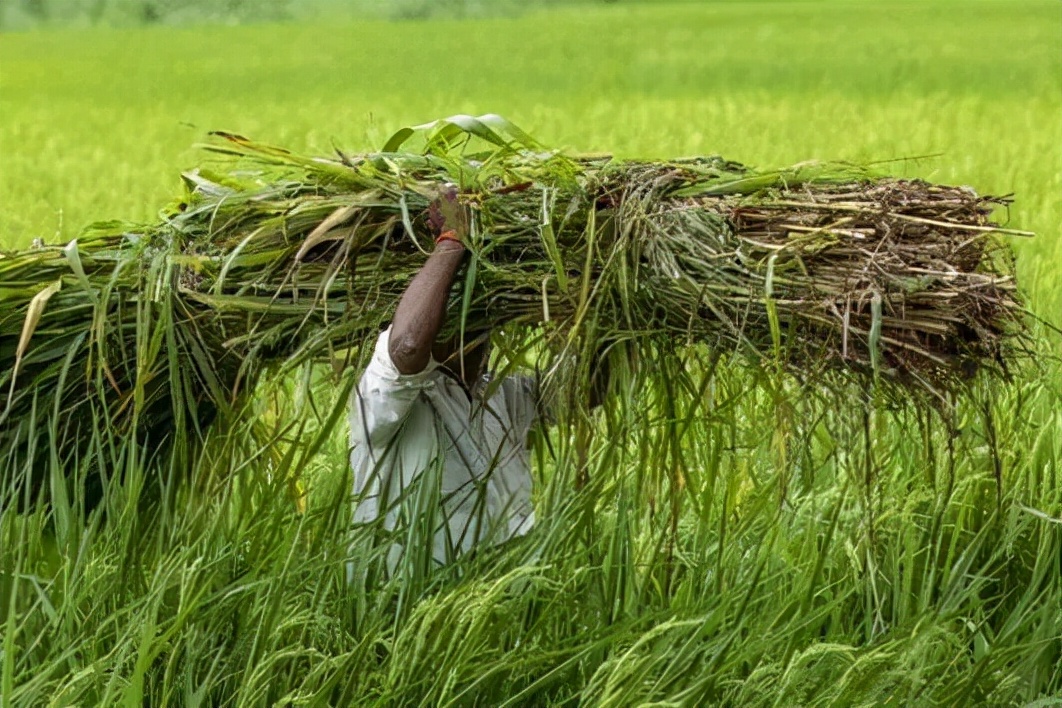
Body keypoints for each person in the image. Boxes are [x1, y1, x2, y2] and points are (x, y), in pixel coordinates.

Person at [348, 186, 540, 570]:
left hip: (503, 612)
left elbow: (590, 389)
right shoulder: (385, 396)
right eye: (465, 317)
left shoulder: (505, 395)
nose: (479, 333)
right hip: (403, 613)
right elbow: (407, 345)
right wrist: (452, 241)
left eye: (486, 321)